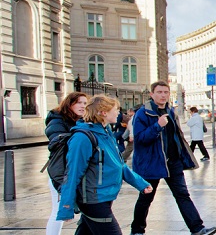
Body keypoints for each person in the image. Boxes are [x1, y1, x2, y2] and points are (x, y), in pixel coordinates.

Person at [130, 81, 216, 235]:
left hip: (173, 162)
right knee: (146, 198)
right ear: (152, 94)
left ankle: (197, 228)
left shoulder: (171, 111)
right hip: (153, 163)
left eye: (166, 92)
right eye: (159, 92)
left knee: (183, 195)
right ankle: (137, 231)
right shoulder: (143, 113)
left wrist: (182, 156)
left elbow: (177, 137)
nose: (163, 95)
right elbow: (140, 139)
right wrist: (157, 126)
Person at [56, 95, 153, 234]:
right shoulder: (82, 137)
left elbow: (119, 164)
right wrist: (66, 206)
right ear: (103, 112)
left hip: (104, 196)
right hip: (93, 199)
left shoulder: (106, 133)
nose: (119, 112)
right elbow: (72, 173)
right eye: (116, 109)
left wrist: (140, 183)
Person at [44, 92, 88, 235]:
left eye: (85, 103)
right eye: (79, 102)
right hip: (60, 171)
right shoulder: (57, 119)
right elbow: (56, 140)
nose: (83, 106)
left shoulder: (82, 121)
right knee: (59, 210)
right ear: (69, 104)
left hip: (77, 171)